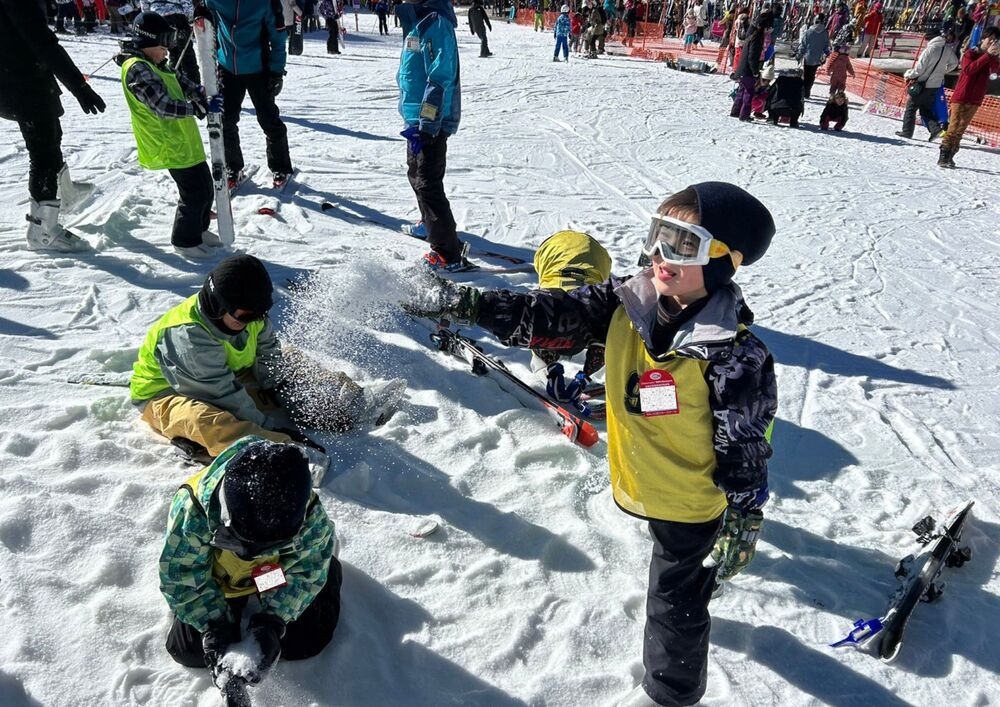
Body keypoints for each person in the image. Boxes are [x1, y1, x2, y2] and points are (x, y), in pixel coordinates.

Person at [405, 181, 777, 707]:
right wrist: (469, 305)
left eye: (683, 243)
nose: (661, 254)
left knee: (674, 600)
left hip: (691, 501)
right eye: (658, 235)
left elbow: (743, 443)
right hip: (644, 479)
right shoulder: (623, 302)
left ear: (725, 259)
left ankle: (670, 694)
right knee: (678, 579)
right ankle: (698, 578)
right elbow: (551, 314)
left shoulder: (736, 358)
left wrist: (744, 511)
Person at [130, 254, 398, 476]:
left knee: (292, 358)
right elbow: (223, 397)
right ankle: (278, 455)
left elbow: (269, 352)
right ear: (218, 305)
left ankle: (351, 400)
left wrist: (285, 388)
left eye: (261, 314)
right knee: (207, 420)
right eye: (246, 316)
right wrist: (273, 431)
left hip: (228, 373)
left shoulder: (249, 313)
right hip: (169, 395)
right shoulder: (188, 337)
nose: (255, 321)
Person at [160, 436, 343, 692]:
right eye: (241, 541)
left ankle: (331, 565)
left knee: (306, 641)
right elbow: (181, 575)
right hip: (218, 580)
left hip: (275, 574)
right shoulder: (194, 509)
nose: (251, 553)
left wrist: (273, 621)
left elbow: (306, 572)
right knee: (188, 651)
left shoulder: (310, 516)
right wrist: (214, 625)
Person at [0, 0, 106, 253]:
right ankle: (42, 230)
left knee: (52, 136)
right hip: (21, 82)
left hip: (22, 77)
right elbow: (42, 42)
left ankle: (65, 192)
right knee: (43, 154)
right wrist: (79, 86)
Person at [116, 12, 220, 260]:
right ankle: (184, 240)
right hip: (167, 143)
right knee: (193, 192)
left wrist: (201, 93)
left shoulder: (156, 63)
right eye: (163, 47)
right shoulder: (137, 68)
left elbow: (179, 81)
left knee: (206, 188)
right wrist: (197, 108)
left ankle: (198, 229)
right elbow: (161, 105)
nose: (166, 52)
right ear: (147, 41)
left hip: (182, 141)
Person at [396, 0, 470, 271]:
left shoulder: (435, 22)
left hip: (431, 121)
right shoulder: (417, 20)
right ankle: (429, 223)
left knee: (428, 183)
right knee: (415, 174)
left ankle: (448, 253)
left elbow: (440, 76)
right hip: (415, 118)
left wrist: (428, 120)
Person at [198, 0, 294, 190]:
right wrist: (199, 15)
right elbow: (205, 12)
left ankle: (280, 167)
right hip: (227, 68)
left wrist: (276, 71)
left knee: (268, 119)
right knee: (226, 120)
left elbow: (278, 36)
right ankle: (232, 167)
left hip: (259, 68)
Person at [528, 230, 613, 414]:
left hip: (559, 253)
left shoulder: (547, 308)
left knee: (543, 324)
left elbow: (534, 329)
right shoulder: (598, 309)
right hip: (593, 256)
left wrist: (550, 373)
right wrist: (585, 374)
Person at [938, 26, 1000, 167]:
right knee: (953, 127)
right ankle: (944, 155)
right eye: (990, 39)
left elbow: (995, 73)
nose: (992, 42)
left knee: (961, 130)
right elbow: (968, 70)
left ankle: (951, 155)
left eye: (995, 40)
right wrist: (987, 56)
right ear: (983, 39)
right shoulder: (970, 53)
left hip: (976, 98)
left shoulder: (991, 57)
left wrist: (995, 58)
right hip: (962, 96)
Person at [895, 27, 958, 141]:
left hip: (923, 83)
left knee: (911, 107)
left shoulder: (929, 49)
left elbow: (919, 69)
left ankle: (907, 131)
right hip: (936, 84)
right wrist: (942, 72)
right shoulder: (946, 48)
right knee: (925, 109)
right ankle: (935, 130)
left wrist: (908, 74)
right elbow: (954, 63)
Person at [730, 6, 774, 121]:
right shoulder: (756, 39)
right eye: (767, 29)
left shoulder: (751, 35)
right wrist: (755, 72)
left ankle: (735, 111)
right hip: (747, 70)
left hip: (742, 68)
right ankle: (744, 115)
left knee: (742, 90)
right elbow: (752, 57)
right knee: (749, 92)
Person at [143, 0, 200, 84]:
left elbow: (144, 4)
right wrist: (190, 19)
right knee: (186, 54)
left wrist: (147, 19)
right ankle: (193, 84)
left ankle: (174, 82)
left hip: (157, 17)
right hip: (177, 17)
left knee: (172, 53)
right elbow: (186, 2)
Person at [797, 13, 830, 99]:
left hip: (807, 57)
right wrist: (825, 55)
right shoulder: (825, 33)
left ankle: (804, 91)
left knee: (805, 74)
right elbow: (826, 46)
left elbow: (803, 45)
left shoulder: (809, 31)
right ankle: (807, 91)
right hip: (817, 58)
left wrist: (799, 54)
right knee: (811, 75)